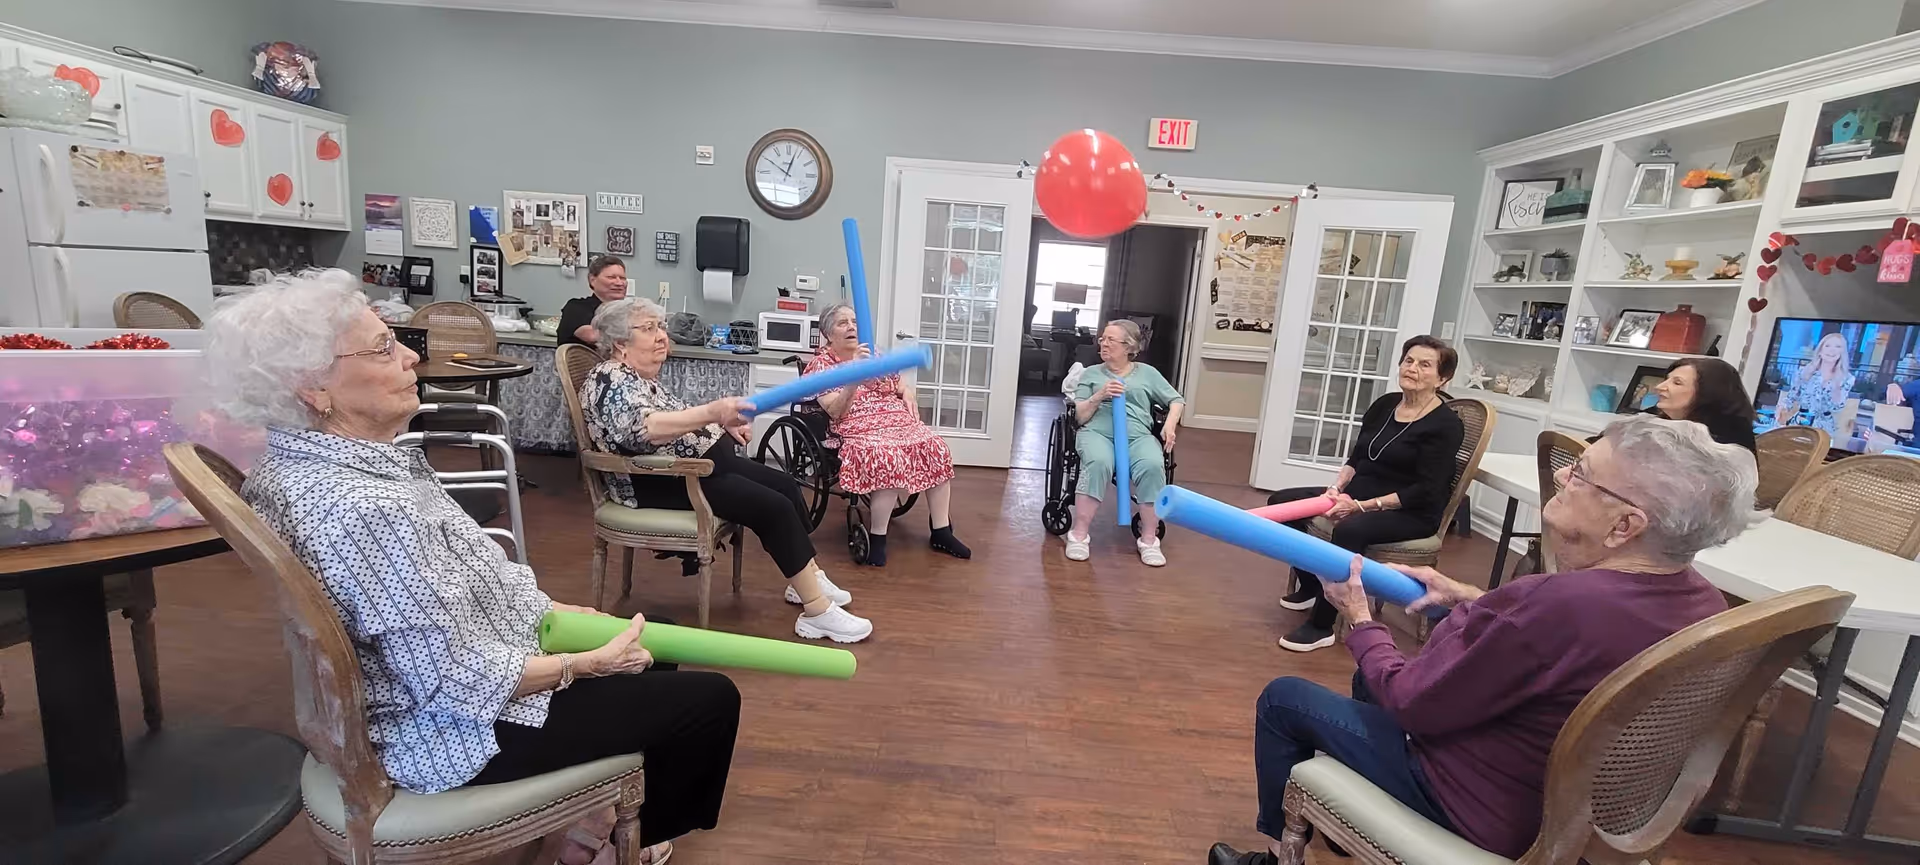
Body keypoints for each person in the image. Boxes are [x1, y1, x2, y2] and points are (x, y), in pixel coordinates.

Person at [208, 270, 737, 865]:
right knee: (709, 702)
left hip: (436, 689)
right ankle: (623, 843)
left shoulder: (316, 466)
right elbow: (453, 682)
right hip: (444, 732)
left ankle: (591, 815)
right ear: (311, 387)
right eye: (383, 346)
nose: (410, 355)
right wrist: (581, 664)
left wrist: (548, 611)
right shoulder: (360, 506)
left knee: (654, 653)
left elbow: (469, 576)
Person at [1209, 415, 1758, 865]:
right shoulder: (1702, 601)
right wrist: (1470, 597)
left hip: (1482, 804)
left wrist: (1359, 617)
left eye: (1582, 475)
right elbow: (1553, 642)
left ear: (1625, 526)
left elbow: (1411, 703)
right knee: (1365, 677)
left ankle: (1278, 854)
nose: (1565, 480)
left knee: (1286, 698)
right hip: (1566, 800)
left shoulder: (1559, 605)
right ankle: (1345, 822)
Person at [580, 297, 873, 643]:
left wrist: (722, 428)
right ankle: (817, 612)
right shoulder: (610, 378)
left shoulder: (640, 378)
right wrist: (713, 413)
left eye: (660, 326)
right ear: (619, 343)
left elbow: (675, 420)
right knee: (772, 507)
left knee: (785, 486)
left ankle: (807, 575)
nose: (661, 336)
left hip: (695, 469)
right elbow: (647, 429)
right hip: (662, 479)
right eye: (648, 329)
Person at [1264, 335, 1465, 653]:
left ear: (1442, 378)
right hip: (1358, 495)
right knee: (1282, 503)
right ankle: (1315, 585)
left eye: (1424, 364)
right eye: (1408, 360)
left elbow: (1425, 490)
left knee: (1349, 531)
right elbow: (1357, 457)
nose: (1411, 368)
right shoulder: (1386, 404)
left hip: (1411, 511)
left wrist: (1360, 507)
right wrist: (1337, 488)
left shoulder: (1445, 425)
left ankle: (1322, 624)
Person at [808, 302, 970, 566]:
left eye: (855, 322)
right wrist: (854, 376)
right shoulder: (821, 366)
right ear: (828, 334)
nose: (852, 327)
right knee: (888, 456)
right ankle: (878, 538)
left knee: (936, 447)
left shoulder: (876, 355)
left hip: (898, 421)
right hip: (858, 427)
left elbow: (899, 383)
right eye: (843, 323)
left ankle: (941, 531)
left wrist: (908, 393)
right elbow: (835, 412)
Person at [1062, 319, 1184, 567]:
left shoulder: (1147, 373)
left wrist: (1170, 425)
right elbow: (1080, 416)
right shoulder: (1092, 374)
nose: (1103, 344)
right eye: (1102, 339)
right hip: (1097, 433)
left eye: (1110, 340)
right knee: (1098, 462)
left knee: (1152, 464)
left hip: (1137, 435)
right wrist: (1099, 395)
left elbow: (1176, 400)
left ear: (1129, 346)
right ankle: (1078, 534)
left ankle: (1149, 539)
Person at [1623, 357, 1756, 452]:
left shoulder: (1729, 437)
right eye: (1666, 379)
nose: (1660, 387)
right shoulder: (1653, 415)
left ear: (1707, 392)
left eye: (1677, 382)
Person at [1771, 331, 1855, 436]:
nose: (1832, 350)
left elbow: (1837, 408)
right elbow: (1791, 398)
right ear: (1820, 350)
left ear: (1842, 352)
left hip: (1824, 429)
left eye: (1838, 346)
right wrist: (1781, 408)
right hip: (1800, 423)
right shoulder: (1804, 371)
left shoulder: (1847, 378)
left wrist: (1836, 386)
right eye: (1827, 345)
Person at [557, 255, 629, 350]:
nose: (619, 283)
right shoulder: (576, 307)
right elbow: (592, 336)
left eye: (622, 278)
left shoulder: (627, 311)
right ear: (592, 280)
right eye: (611, 277)